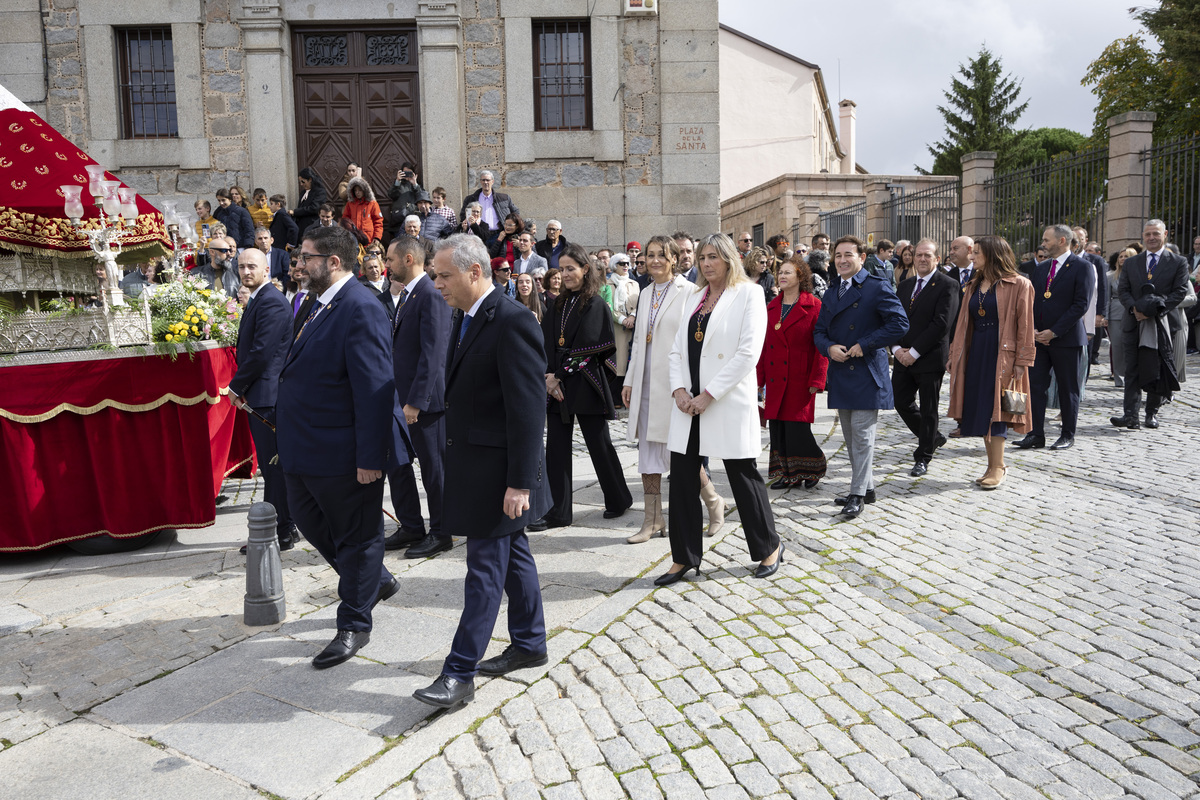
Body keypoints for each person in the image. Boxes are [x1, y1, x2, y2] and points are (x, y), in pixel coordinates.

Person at [412, 233, 551, 709]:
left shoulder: (512, 321)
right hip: (477, 466)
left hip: (500, 476)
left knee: (484, 572)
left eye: (444, 276)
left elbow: (529, 411)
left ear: (475, 272)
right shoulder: (466, 315)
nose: (437, 285)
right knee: (514, 558)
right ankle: (530, 642)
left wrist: (519, 482)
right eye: (434, 276)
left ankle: (458, 673)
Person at [275, 225, 409, 669]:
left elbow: (374, 390)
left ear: (334, 262)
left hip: (344, 453)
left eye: (307, 257)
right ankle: (376, 580)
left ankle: (354, 622)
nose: (298, 264)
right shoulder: (314, 305)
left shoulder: (360, 308)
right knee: (312, 525)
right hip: (304, 450)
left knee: (358, 537)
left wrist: (371, 459)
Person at [660, 233, 779, 585]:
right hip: (688, 406)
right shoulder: (695, 297)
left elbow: (747, 353)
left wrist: (708, 394)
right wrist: (679, 389)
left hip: (724, 401)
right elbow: (676, 350)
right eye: (702, 258)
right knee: (681, 480)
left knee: (743, 478)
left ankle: (768, 547)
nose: (706, 263)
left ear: (729, 258)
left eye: (713, 256)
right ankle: (683, 558)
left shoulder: (749, 294)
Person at [622, 235, 725, 544]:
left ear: (673, 258)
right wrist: (628, 379)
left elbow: (692, 342)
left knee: (681, 452)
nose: (654, 260)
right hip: (645, 384)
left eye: (660, 255)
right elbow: (639, 341)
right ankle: (652, 520)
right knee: (648, 455)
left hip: (674, 385)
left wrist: (690, 386)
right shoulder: (644, 293)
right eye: (649, 255)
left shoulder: (689, 292)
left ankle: (713, 502)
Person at [536, 242, 633, 529]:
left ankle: (618, 499)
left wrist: (558, 377)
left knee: (599, 445)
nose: (565, 274)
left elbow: (590, 348)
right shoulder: (558, 304)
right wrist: (547, 376)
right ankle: (559, 512)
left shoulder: (595, 303)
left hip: (586, 383)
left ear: (585, 269)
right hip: (557, 386)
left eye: (571, 268)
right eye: (562, 269)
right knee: (556, 447)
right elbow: (546, 344)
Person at [813, 235, 909, 518]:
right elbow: (818, 332)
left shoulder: (876, 287)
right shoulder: (832, 291)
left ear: (862, 258)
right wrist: (829, 348)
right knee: (850, 436)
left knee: (863, 435)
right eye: (838, 255)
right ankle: (866, 487)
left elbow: (900, 323)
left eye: (848, 255)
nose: (842, 260)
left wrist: (865, 343)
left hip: (866, 370)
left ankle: (857, 494)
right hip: (841, 371)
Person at [381, 234, 452, 560]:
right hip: (403, 398)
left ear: (409, 259)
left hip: (426, 404)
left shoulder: (430, 294)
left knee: (434, 470)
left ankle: (441, 532)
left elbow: (433, 353)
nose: (387, 264)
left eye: (390, 259)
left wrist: (416, 402)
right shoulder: (410, 294)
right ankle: (412, 526)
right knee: (404, 465)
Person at [946, 236, 1035, 489]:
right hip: (976, 353)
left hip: (1003, 356)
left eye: (977, 253)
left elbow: (1026, 327)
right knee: (983, 408)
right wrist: (955, 355)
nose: (972, 257)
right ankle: (990, 464)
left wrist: (1022, 361)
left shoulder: (1020, 284)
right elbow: (962, 324)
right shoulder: (973, 284)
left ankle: (999, 466)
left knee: (999, 410)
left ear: (993, 255)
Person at [228, 248, 297, 553]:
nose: (245, 272)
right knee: (274, 467)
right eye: (241, 267)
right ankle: (287, 526)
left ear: (266, 269)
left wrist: (235, 387)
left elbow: (261, 353)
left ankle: (279, 532)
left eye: (251, 266)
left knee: (273, 467)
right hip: (260, 394)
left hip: (268, 396)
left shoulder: (271, 302)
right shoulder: (260, 299)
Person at [1013, 225, 1095, 452]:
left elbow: (1081, 304)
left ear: (1062, 241)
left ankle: (1067, 434)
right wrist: (1035, 330)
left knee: (1068, 388)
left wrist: (1055, 331)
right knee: (1036, 387)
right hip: (1039, 339)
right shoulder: (1042, 268)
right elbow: (1033, 300)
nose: (1043, 244)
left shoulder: (1083, 267)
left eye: (1046, 240)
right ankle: (1035, 433)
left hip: (1066, 339)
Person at [1111, 219, 1190, 430]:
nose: (1152, 238)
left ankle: (1151, 413)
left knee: (1157, 368)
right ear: (1143, 237)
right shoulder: (1131, 262)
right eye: (1148, 235)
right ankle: (1130, 415)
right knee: (1132, 369)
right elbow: (1123, 290)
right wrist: (1135, 309)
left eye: (1156, 234)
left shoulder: (1178, 262)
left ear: (1165, 235)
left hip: (1162, 324)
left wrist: (1153, 310)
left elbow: (1180, 292)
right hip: (1133, 323)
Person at [758, 256, 828, 490]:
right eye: (780, 273)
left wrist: (818, 379)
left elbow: (822, 346)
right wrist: (758, 380)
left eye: (788, 272)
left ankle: (813, 467)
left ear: (800, 277)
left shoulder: (814, 305)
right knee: (778, 427)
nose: (782, 276)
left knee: (797, 428)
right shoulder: (771, 306)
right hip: (776, 376)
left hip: (800, 376)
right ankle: (786, 475)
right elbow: (763, 345)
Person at [891, 238, 960, 476]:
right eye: (918, 255)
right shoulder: (905, 285)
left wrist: (915, 352)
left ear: (937, 259)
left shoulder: (948, 285)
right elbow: (894, 319)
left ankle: (923, 456)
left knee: (929, 408)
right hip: (902, 356)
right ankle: (932, 437)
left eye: (927, 255)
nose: (921, 259)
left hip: (929, 357)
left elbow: (941, 323)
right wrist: (896, 349)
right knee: (900, 401)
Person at [607, 253, 638, 403]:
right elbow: (608, 307)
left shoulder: (634, 284)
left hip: (632, 327)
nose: (625, 266)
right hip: (616, 328)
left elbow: (639, 303)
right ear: (614, 266)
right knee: (618, 363)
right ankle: (616, 399)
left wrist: (632, 317)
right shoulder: (607, 285)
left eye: (627, 263)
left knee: (630, 361)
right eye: (621, 263)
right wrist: (623, 319)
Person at [1106, 247, 1137, 387]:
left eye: (1127, 256)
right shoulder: (1110, 276)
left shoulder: (1139, 275)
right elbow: (1106, 298)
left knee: (1133, 346)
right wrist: (1105, 316)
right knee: (1117, 346)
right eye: (1121, 256)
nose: (1123, 258)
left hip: (1135, 313)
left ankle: (1134, 376)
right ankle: (1119, 378)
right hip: (1116, 313)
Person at [342, 176, 384, 245]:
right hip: (353, 240)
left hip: (369, 240)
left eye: (360, 190)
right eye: (355, 190)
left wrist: (376, 237)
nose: (357, 192)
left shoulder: (372, 204)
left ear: (364, 190)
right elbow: (345, 221)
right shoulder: (350, 204)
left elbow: (378, 222)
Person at [291, 167, 328, 235]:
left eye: (303, 181)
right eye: (300, 182)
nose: (301, 184)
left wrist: (295, 212)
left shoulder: (320, 192)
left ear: (310, 179)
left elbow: (314, 208)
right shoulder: (303, 193)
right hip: (301, 227)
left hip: (312, 227)